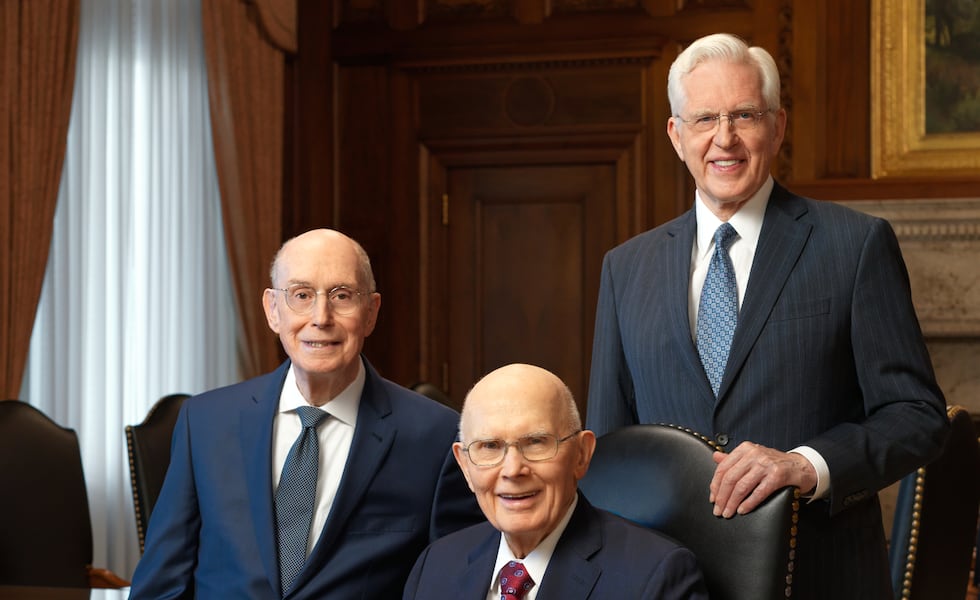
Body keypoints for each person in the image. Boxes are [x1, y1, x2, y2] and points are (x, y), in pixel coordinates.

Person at [586, 33, 949, 600]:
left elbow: (918, 416)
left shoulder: (853, 246)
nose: (723, 138)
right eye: (704, 118)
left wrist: (807, 465)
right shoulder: (624, 268)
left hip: (819, 578)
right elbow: (608, 452)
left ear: (776, 127)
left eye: (744, 115)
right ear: (676, 136)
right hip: (667, 585)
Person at [130, 228, 483, 599]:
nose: (321, 317)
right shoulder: (204, 422)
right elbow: (160, 586)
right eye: (301, 295)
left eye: (342, 296)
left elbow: (452, 585)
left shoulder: (436, 436)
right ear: (273, 310)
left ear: (371, 313)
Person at [403, 363, 709, 600]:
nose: (512, 469)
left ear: (581, 454)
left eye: (536, 442)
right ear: (465, 466)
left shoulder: (655, 577)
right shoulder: (435, 567)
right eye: (490, 447)